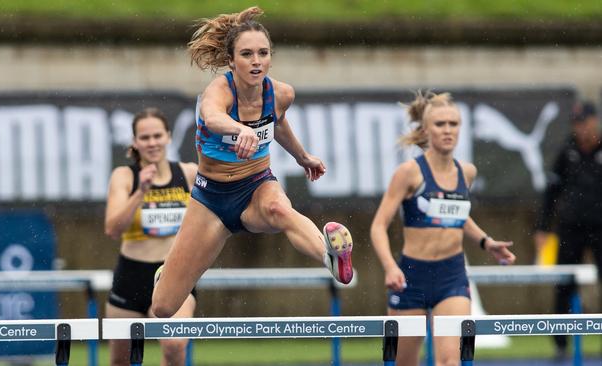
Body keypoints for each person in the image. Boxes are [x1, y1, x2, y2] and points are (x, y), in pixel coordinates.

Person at [151, 6, 353, 318]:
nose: (256, 61)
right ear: (232, 60)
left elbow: (279, 123)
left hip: (257, 186)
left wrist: (302, 156)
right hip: (211, 200)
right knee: (163, 308)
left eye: (263, 53)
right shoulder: (219, 90)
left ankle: (332, 258)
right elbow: (212, 116)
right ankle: (166, 274)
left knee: (279, 209)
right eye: (247, 54)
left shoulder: (281, 93)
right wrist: (239, 129)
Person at [370, 91, 516, 366]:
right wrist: (390, 266)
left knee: (451, 362)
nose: (448, 130)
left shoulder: (467, 172)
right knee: (400, 362)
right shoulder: (408, 173)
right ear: (426, 129)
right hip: (410, 276)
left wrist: (486, 242)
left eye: (453, 123)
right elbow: (378, 226)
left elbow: (457, 213)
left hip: (452, 277)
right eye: (440, 124)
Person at [104, 108, 198, 366]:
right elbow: (113, 229)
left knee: (174, 345)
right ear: (135, 142)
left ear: (168, 136)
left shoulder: (188, 174)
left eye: (157, 135)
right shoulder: (124, 177)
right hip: (131, 275)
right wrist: (140, 193)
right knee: (120, 360)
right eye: (145, 138)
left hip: (173, 273)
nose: (152, 142)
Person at [534, 100, 602, 359]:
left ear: (594, 120)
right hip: (570, 228)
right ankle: (561, 343)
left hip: (600, 228)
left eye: (584, 122)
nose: (581, 129)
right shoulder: (566, 151)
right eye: (577, 124)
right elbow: (551, 192)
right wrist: (542, 227)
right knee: (564, 285)